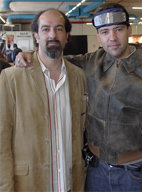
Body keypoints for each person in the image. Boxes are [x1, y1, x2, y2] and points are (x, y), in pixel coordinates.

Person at [15, 3, 142, 192]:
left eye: (118, 29)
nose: (113, 38)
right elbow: (56, 61)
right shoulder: (91, 63)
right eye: (105, 32)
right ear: (98, 36)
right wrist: (29, 56)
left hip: (137, 174)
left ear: (129, 30)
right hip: (95, 172)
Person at [0, 9, 87, 192]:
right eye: (45, 29)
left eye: (59, 29)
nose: (52, 35)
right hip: (29, 184)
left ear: (67, 36)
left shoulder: (79, 76)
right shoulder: (11, 78)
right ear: (36, 36)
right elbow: (2, 140)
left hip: (70, 184)